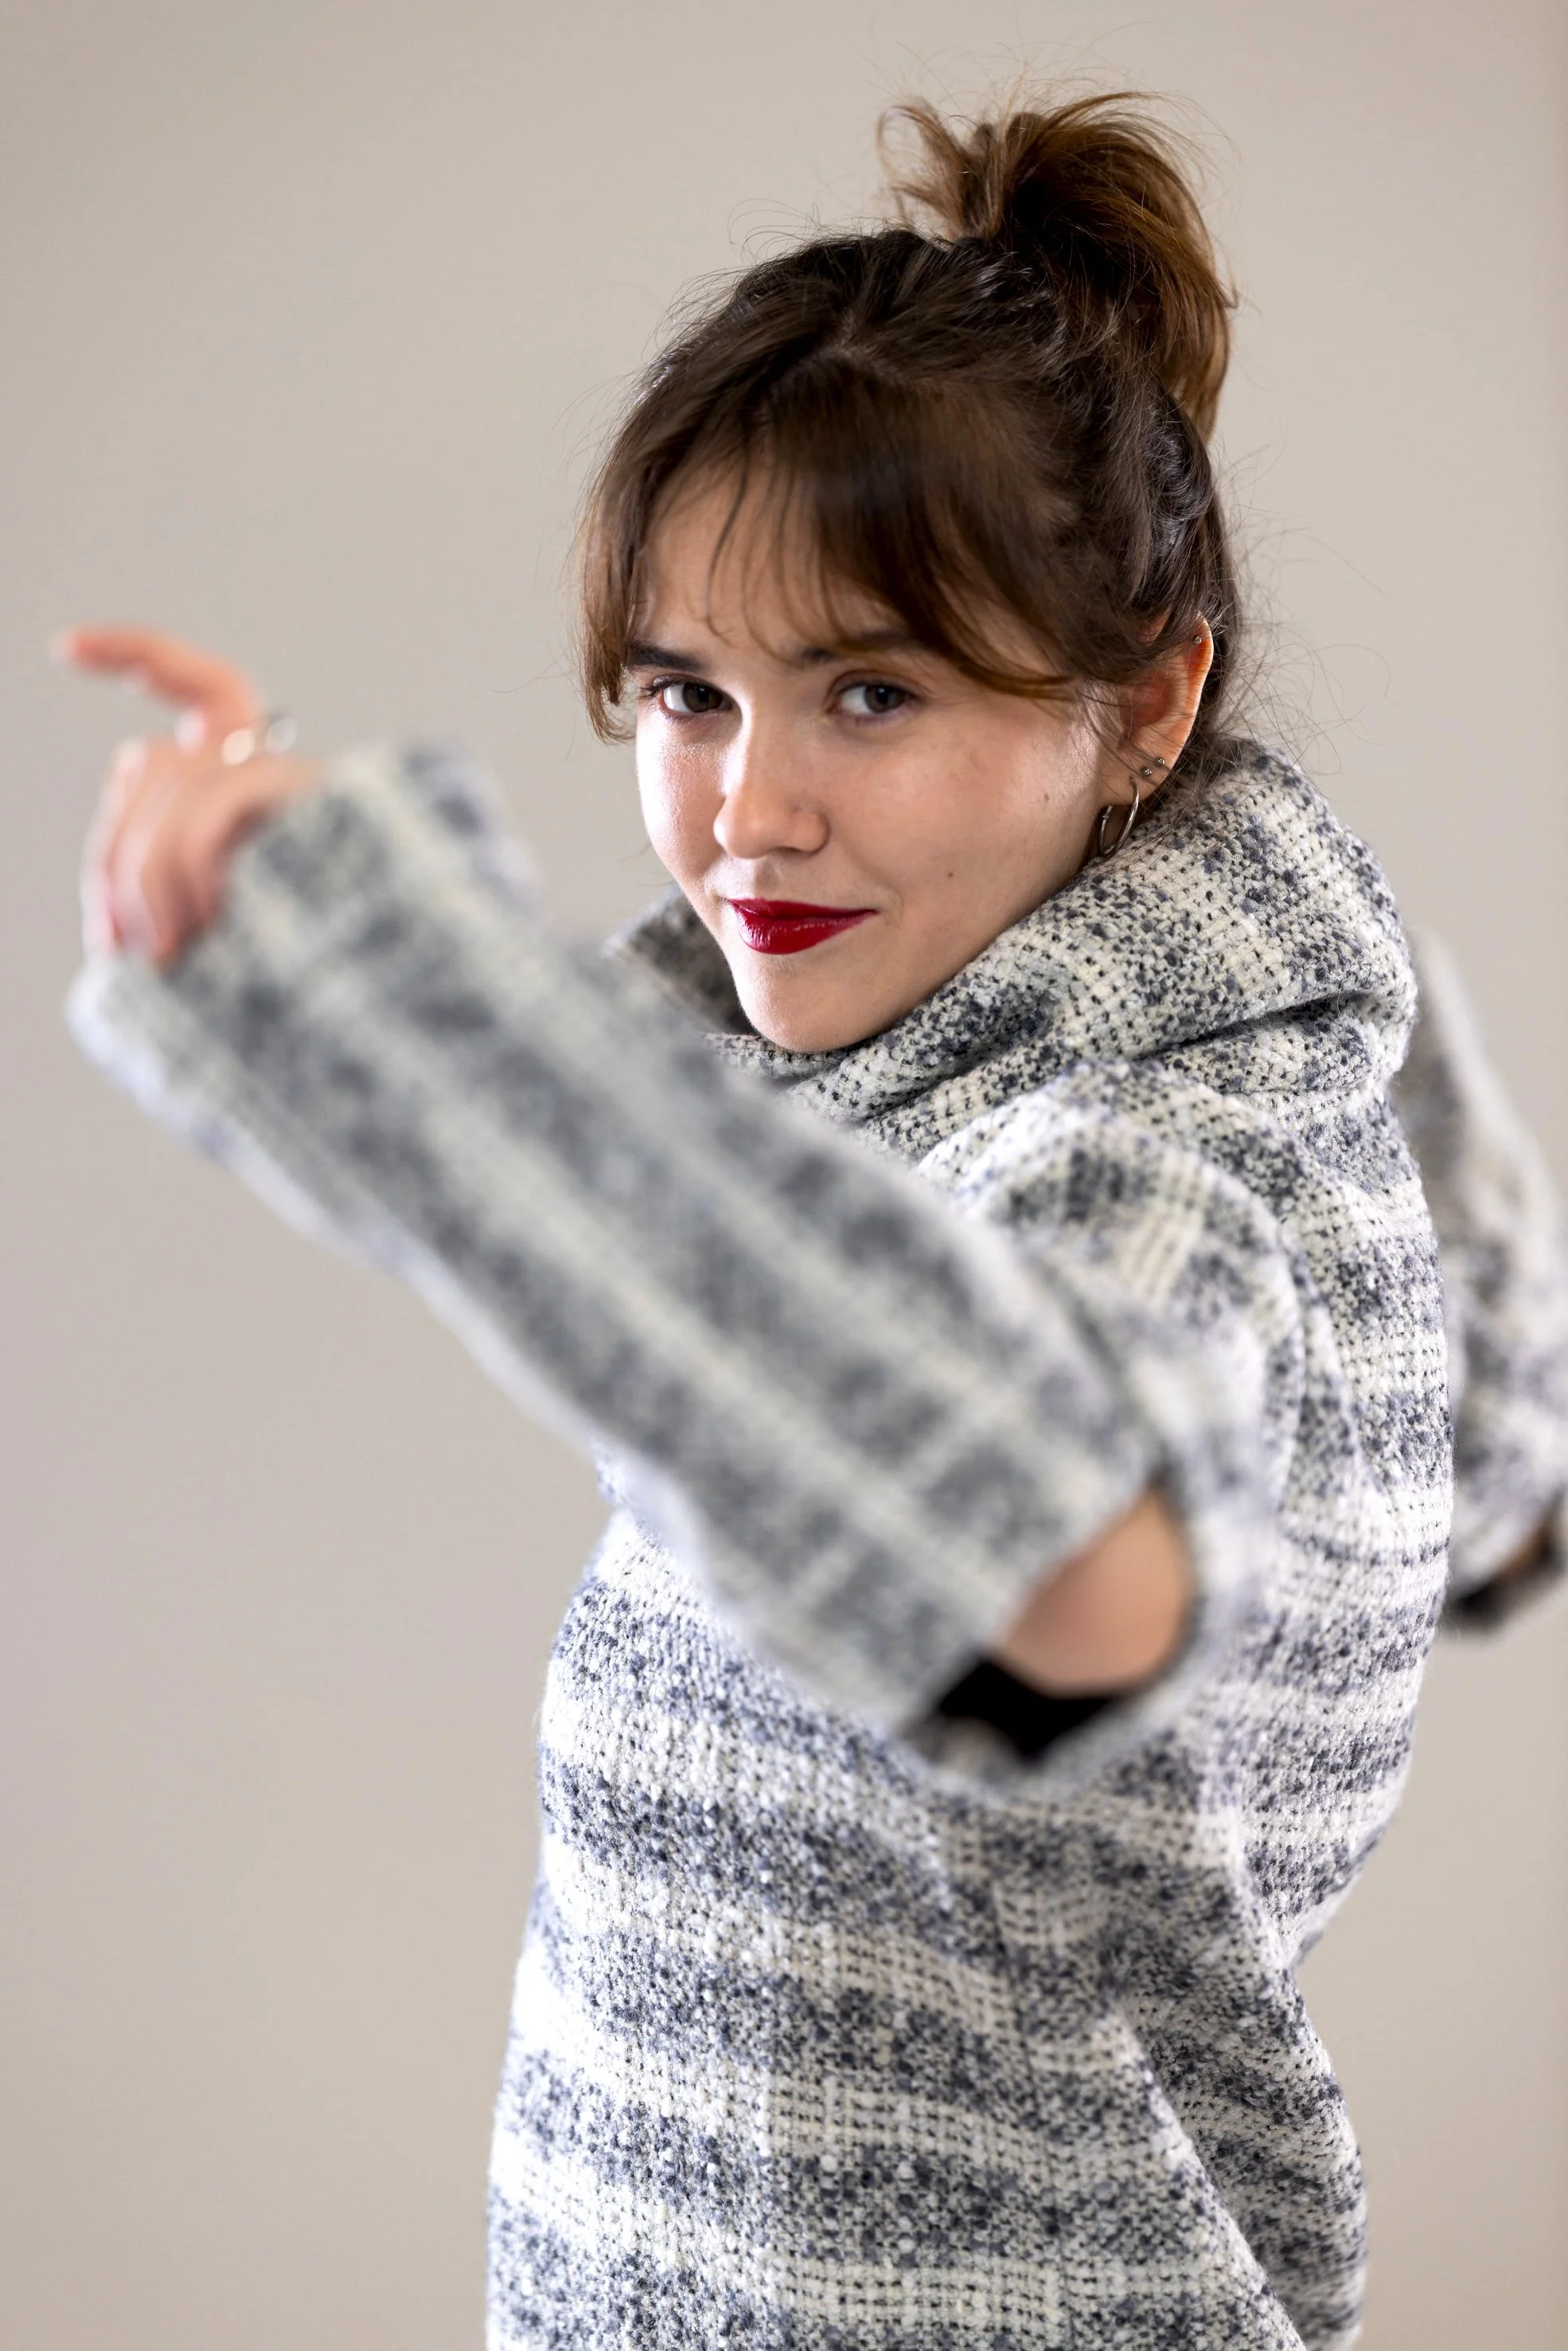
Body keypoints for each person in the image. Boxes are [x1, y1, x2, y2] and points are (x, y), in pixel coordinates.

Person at [60, 90, 1568, 2351]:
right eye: (686, 693)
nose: (746, 811)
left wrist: (439, 1038)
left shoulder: (1162, 1163)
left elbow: (1060, 1568)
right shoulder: (905, 1126)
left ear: (1145, 708)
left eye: (873, 692)